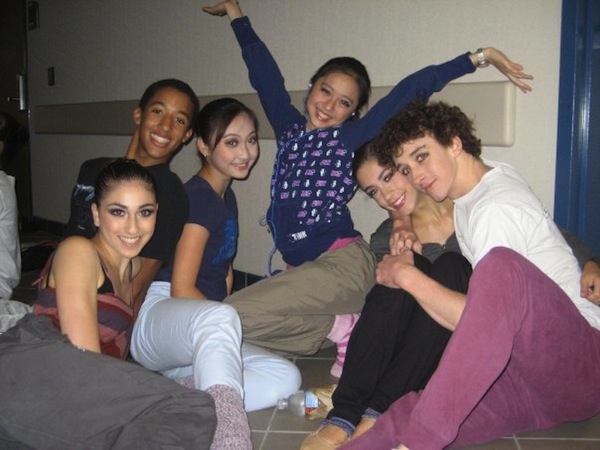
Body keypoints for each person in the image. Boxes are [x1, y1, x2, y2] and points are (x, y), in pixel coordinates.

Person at [203, 1, 534, 375]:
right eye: (325, 91)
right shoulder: (289, 130)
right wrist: (235, 14)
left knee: (225, 316)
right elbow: (265, 77)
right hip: (303, 267)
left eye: (344, 103)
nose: (329, 106)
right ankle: (338, 326)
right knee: (237, 323)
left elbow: (410, 89)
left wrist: (477, 58)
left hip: (341, 262)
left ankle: (343, 326)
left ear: (353, 113)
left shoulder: (348, 140)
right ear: (311, 87)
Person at [302, 141, 600, 450]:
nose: (386, 196)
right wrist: (401, 227)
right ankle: (345, 414)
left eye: (389, 176)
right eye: (374, 191)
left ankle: (377, 411)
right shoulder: (386, 237)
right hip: (417, 354)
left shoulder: (472, 209)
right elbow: (386, 319)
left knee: (453, 266)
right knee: (403, 273)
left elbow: (541, 228)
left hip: (462, 349)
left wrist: (589, 261)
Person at [0, 159, 216, 449]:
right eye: (118, 212)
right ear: (96, 214)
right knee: (191, 406)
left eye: (145, 212)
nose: (133, 227)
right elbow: (84, 359)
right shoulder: (79, 251)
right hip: (35, 374)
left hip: (60, 397)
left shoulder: (133, 270)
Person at [130, 98, 301, 450]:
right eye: (232, 142)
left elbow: (224, 273)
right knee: (223, 317)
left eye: (251, 140)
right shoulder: (197, 197)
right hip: (162, 319)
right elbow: (181, 287)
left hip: (201, 328)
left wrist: (223, 323)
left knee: (285, 377)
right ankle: (230, 440)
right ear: (204, 147)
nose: (246, 153)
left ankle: (166, 397)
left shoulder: (227, 197)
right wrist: (224, 321)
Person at [65, 78, 199, 314]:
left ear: (187, 135)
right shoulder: (92, 169)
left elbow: (135, 288)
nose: (165, 126)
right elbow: (72, 233)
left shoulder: (168, 192)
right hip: (59, 286)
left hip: (98, 310)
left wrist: (111, 332)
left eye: (179, 120)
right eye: (157, 111)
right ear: (138, 115)